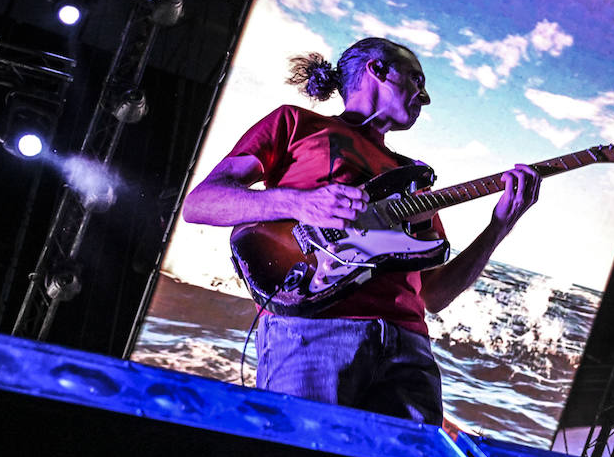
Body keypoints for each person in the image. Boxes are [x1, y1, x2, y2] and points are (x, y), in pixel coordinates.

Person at [182, 37, 540, 424]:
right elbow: (201, 203)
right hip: (313, 331)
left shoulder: (412, 178)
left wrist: (499, 226)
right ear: (377, 69)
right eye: (417, 79)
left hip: (410, 349)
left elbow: (434, 295)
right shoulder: (296, 124)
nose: (425, 97)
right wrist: (299, 203)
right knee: (300, 456)